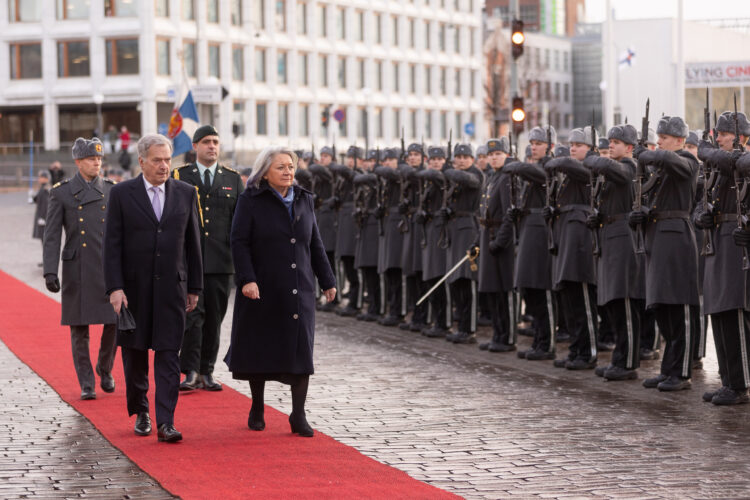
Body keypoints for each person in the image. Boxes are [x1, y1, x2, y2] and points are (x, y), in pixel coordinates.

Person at [225, 146, 336, 437]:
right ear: (265, 171)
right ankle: (258, 406)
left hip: (299, 288)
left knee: (302, 350)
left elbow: (315, 243)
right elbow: (239, 242)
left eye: (291, 166)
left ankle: (298, 414)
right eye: (281, 167)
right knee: (260, 348)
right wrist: (247, 279)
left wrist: (328, 280)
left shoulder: (304, 199)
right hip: (263, 287)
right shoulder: (250, 200)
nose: (288, 172)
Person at [103, 134, 203, 442]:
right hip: (133, 291)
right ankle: (142, 411)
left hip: (172, 289)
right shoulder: (121, 193)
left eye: (168, 160)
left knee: (169, 354)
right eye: (157, 160)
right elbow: (112, 245)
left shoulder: (186, 193)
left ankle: (166, 421)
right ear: (142, 161)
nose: (164, 166)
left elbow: (193, 244)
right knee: (135, 356)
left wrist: (194, 287)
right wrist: (115, 287)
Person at [43, 137, 117, 400]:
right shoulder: (61, 192)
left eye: (99, 158)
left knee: (115, 321)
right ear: (77, 162)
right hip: (77, 267)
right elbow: (51, 235)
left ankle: (105, 368)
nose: (97, 162)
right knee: (79, 327)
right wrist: (50, 271)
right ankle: (87, 382)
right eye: (90, 159)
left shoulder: (111, 189)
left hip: (107, 266)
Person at [629, 116, 699, 391]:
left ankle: (681, 373)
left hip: (677, 236)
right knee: (662, 307)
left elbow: (672, 162)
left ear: (680, 141)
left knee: (679, 306)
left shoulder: (687, 162)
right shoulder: (662, 166)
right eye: (658, 138)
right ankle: (668, 368)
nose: (659, 142)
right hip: (657, 237)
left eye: (665, 138)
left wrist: (649, 154)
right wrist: (642, 215)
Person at [172, 125, 244, 392]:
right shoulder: (179, 175)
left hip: (221, 261)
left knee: (214, 317)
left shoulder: (233, 179)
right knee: (193, 316)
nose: (212, 146)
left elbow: (240, 223)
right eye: (206, 142)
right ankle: (190, 370)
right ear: (195, 147)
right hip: (189, 259)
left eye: (215, 141)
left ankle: (207, 370)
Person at [696, 112, 750, 405]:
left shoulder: (741, 164)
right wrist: (701, 218)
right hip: (716, 242)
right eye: (716, 134)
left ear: (740, 137)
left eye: (723, 134)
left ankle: (741, 384)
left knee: (736, 314)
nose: (717, 139)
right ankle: (728, 379)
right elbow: (698, 203)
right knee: (719, 314)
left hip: (737, 246)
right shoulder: (716, 169)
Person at [584, 124, 645, 381]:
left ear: (629, 147)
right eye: (610, 141)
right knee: (613, 303)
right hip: (609, 236)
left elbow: (614, 169)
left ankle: (628, 362)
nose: (611, 145)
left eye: (617, 142)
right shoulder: (612, 169)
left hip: (623, 238)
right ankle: (620, 358)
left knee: (626, 301)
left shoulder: (629, 167)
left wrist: (595, 158)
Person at [544, 127, 599, 370]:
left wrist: (559, 159)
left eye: (579, 144)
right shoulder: (567, 172)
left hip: (581, 243)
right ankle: (577, 349)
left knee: (584, 298)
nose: (573, 148)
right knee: (570, 299)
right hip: (565, 238)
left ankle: (588, 352)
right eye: (571, 144)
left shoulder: (590, 167)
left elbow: (578, 168)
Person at [505, 126, 557, 361]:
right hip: (528, 231)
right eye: (532, 142)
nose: (534, 146)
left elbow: (542, 177)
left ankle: (548, 343)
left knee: (542, 289)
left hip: (541, 234)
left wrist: (518, 166)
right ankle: (539, 339)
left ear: (550, 146)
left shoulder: (551, 166)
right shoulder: (534, 168)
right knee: (530, 291)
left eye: (538, 143)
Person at [477, 138, 516, 352]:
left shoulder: (508, 178)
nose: (494, 158)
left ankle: (508, 337)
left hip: (501, 240)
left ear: (506, 155)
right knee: (492, 291)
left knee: (504, 291)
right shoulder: (492, 177)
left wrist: (500, 241)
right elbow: (483, 211)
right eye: (491, 155)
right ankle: (498, 333)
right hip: (488, 236)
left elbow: (510, 214)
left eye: (498, 154)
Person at [442, 144, 483, 344]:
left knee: (467, 280)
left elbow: (469, 181)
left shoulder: (475, 174)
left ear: (472, 159)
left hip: (469, 228)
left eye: (465, 157)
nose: (461, 160)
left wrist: (449, 170)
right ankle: (462, 327)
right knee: (456, 281)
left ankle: (470, 329)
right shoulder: (456, 176)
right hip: (455, 228)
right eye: (458, 157)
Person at [32, 170, 51, 265]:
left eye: (40, 177)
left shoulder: (45, 189)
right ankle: (45, 261)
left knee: (45, 242)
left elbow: (46, 205)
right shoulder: (42, 188)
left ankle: (47, 261)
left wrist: (43, 218)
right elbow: (37, 200)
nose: (39, 179)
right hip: (41, 218)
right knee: (43, 241)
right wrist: (33, 196)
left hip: (43, 219)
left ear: (45, 178)